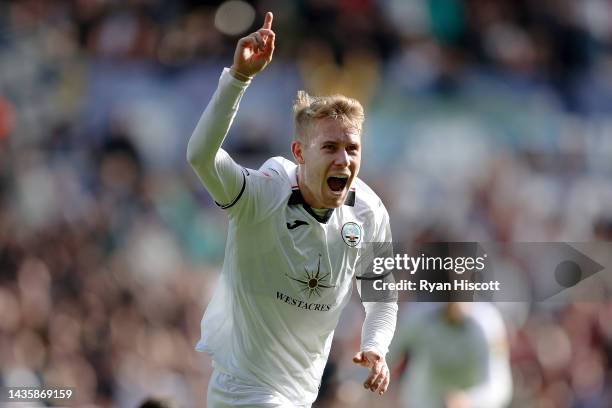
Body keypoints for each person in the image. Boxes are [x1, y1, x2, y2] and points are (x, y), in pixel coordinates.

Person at [186, 11, 397, 408]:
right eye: (330, 148)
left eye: (352, 149)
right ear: (299, 152)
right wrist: (238, 78)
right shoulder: (263, 194)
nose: (344, 160)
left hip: (300, 394)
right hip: (242, 390)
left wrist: (376, 345)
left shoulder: (369, 212)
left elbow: (382, 296)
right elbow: (200, 156)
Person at [389, 302, 513, 408]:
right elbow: (381, 358)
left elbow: (500, 386)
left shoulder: (488, 322)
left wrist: (469, 401)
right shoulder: (415, 316)